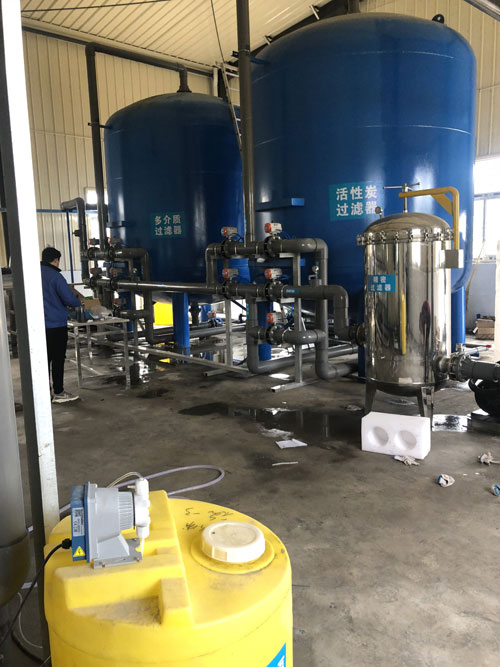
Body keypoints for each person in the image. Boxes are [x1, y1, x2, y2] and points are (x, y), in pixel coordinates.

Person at [41, 247, 82, 403]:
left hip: (39, 326)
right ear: (56, 260)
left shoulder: (34, 274)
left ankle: (43, 393)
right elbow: (69, 299)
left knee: (43, 359)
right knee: (58, 359)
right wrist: (78, 302)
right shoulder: (55, 276)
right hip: (56, 325)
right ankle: (58, 392)